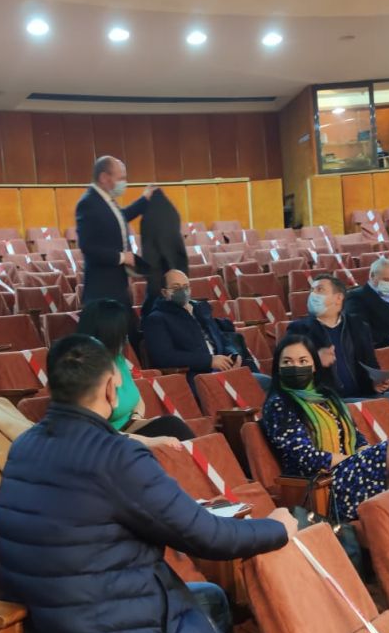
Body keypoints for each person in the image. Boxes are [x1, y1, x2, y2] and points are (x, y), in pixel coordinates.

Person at [0, 334, 290, 633]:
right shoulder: (116, 455)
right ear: (112, 389)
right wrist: (278, 529)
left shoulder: (26, 445)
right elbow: (208, 537)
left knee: (211, 598)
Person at [260, 334, 389, 525]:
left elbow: (356, 436)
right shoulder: (279, 404)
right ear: (278, 367)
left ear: (314, 366)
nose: (295, 367)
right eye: (287, 362)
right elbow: (306, 458)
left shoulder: (327, 397)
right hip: (322, 485)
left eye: (302, 361)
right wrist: (355, 459)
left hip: (349, 472)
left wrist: (363, 452)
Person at [76, 297, 195, 441]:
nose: (125, 336)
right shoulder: (85, 370)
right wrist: (152, 442)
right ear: (109, 333)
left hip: (130, 428)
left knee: (173, 425)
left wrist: (136, 417)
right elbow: (95, 431)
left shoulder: (117, 358)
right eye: (121, 331)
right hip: (108, 439)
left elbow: (137, 399)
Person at [142, 269, 261, 389]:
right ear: (164, 292)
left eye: (186, 286)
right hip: (198, 377)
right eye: (176, 287)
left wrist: (233, 354)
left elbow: (221, 337)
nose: (182, 291)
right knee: (262, 386)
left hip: (226, 370)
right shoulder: (156, 319)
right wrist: (209, 361)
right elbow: (165, 357)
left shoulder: (199, 309)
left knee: (264, 382)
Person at [76, 155, 157, 310]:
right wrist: (122, 257)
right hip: (102, 290)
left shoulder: (106, 200)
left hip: (117, 285)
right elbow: (88, 247)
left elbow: (119, 218)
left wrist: (144, 200)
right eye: (120, 178)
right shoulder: (88, 203)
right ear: (104, 178)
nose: (124, 183)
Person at [290, 274, 389, 401]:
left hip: (365, 394)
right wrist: (315, 360)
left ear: (338, 298)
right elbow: (289, 374)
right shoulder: (299, 330)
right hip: (328, 401)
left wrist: (376, 383)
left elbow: (371, 364)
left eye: (320, 290)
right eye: (312, 290)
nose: (313, 295)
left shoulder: (358, 325)